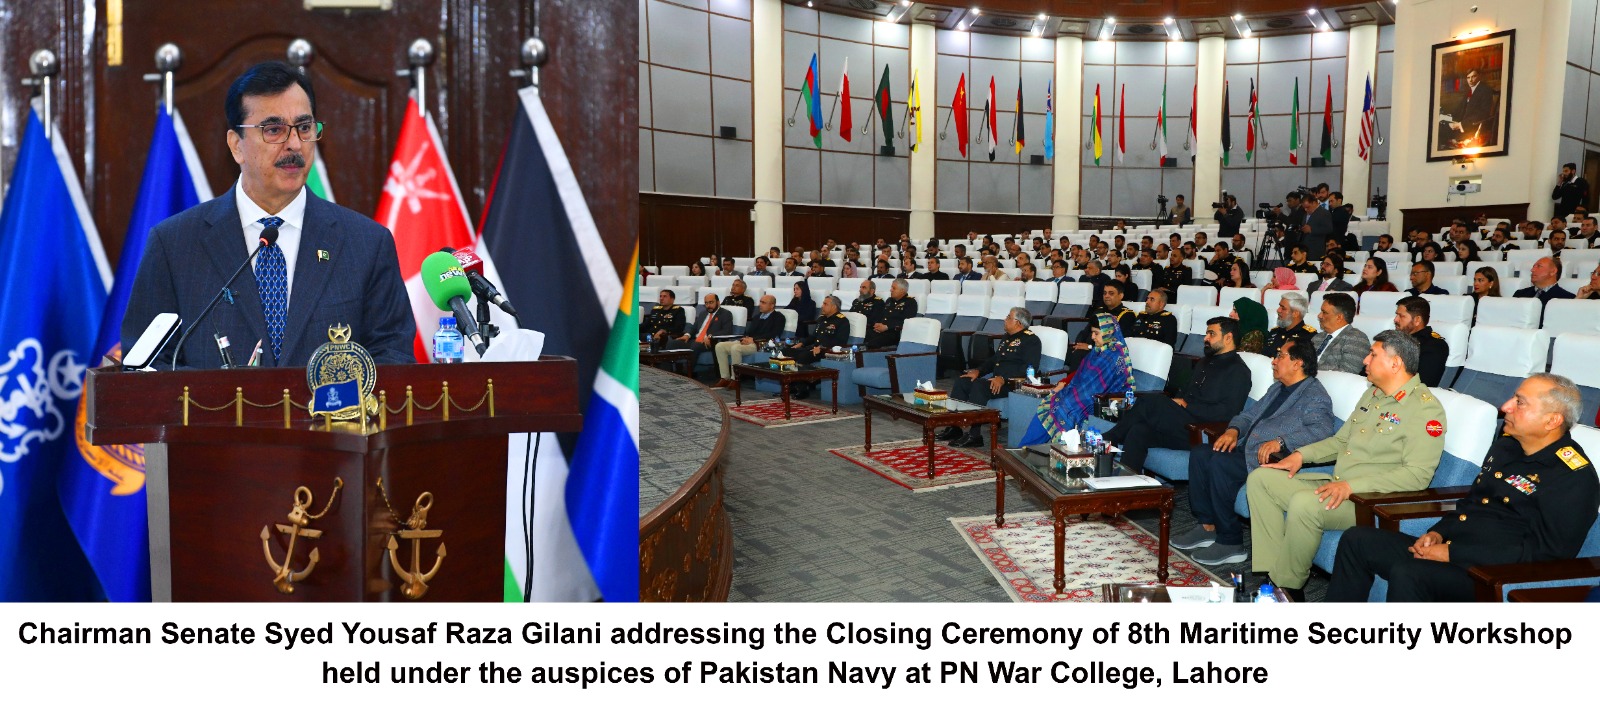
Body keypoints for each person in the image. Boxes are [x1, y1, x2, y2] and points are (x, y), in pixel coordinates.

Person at [122, 62, 423, 367]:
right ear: (236, 146)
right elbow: (147, 366)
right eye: (274, 130)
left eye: (304, 128)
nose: (294, 144)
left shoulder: (366, 244)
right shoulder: (175, 245)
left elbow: (393, 358)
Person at [1328, 374, 1598, 602]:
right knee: (1358, 539)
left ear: (1552, 421)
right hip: (1455, 548)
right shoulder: (1507, 446)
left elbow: (1546, 555)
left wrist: (1453, 554)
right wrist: (1437, 533)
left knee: (1409, 572)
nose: (1505, 406)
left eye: (1520, 402)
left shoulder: (1572, 476)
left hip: (1492, 576)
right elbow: (1471, 503)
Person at [1247, 330, 1447, 600]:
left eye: (1373, 354)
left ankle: (1289, 588)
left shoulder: (1425, 409)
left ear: (1395, 363)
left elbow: (1417, 476)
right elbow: (1341, 441)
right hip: (1339, 485)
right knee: (1261, 479)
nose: (1365, 360)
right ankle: (1273, 578)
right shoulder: (1373, 394)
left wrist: (1352, 486)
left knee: (1306, 504)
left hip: (1371, 502)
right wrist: (1301, 455)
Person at [1176, 336, 1338, 566]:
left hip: (1268, 460)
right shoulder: (1278, 388)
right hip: (1245, 447)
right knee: (1201, 453)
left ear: (1297, 363)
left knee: (1220, 463)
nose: (1274, 361)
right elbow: (1248, 415)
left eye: (1280, 356)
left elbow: (1321, 431)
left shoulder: (1315, 395)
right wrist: (1233, 430)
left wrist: (1282, 441)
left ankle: (1231, 541)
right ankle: (1207, 525)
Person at [1103, 317, 1252, 471]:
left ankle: (1110, 437)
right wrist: (1176, 404)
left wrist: (1187, 406)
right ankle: (1127, 481)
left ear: (1228, 338)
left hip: (1201, 431)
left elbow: (1228, 413)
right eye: (1206, 334)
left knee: (1152, 402)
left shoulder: (1238, 371)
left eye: (1211, 334)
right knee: (1139, 430)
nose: (1205, 338)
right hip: (1182, 422)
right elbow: (1185, 392)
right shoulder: (1204, 362)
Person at [1018, 313, 1135, 446]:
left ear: (1108, 332)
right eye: (1092, 333)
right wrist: (1064, 387)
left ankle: (1028, 448)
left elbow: (1096, 386)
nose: (1092, 337)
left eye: (1096, 333)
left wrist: (1068, 394)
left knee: (1062, 407)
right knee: (1053, 402)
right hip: (1091, 395)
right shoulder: (1100, 350)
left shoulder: (1114, 355)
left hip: (1110, 402)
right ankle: (1027, 448)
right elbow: (1083, 377)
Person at [941, 308, 1042, 448]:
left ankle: (974, 436)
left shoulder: (1031, 340)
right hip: (996, 381)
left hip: (1013, 385)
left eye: (1008, 317)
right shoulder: (1007, 337)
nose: (1005, 320)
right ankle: (954, 427)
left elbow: (1029, 368)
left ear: (1018, 323)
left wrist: (1004, 378)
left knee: (979, 386)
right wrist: (978, 371)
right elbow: (994, 360)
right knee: (962, 381)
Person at [712, 294, 785, 389]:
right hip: (749, 342)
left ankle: (735, 379)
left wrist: (753, 340)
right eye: (760, 302)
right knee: (720, 346)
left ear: (772, 305)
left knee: (736, 348)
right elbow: (749, 332)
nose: (760, 305)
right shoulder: (757, 316)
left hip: (761, 344)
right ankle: (725, 378)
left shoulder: (779, 317)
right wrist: (745, 338)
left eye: (763, 303)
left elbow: (774, 334)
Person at [1065, 281, 1136, 369]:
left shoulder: (1126, 315)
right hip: (1088, 347)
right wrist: (1078, 344)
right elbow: (1086, 331)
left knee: (1078, 355)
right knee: (1066, 351)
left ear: (1120, 295)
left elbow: (1118, 341)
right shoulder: (1099, 311)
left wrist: (1090, 347)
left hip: (1106, 353)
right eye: (1104, 293)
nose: (1106, 296)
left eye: (1111, 293)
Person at [1394, 295, 1449, 387]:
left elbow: (1423, 383)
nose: (1395, 319)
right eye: (1396, 315)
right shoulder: (1395, 339)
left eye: (1401, 316)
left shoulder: (1433, 346)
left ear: (1417, 320)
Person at [1438, 67, 1498, 150]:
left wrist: (1461, 125)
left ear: (1479, 76)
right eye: (1468, 77)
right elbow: (1460, 108)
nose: (1470, 80)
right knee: (1439, 125)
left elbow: (1483, 114)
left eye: (1473, 76)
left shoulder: (1485, 90)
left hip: (1471, 128)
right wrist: (1449, 116)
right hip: (1462, 124)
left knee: (1439, 130)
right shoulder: (1469, 90)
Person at [1312, 293, 1369, 374]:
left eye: (1324, 312)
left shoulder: (1356, 338)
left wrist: (1309, 369)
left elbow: (1348, 371)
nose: (1319, 315)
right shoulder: (1318, 337)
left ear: (1339, 317)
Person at [666, 293, 732, 360]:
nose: (708, 305)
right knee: (672, 343)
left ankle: (687, 367)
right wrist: (687, 335)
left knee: (695, 346)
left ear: (718, 302)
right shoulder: (703, 313)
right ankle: (667, 366)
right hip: (695, 340)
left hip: (709, 342)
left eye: (711, 302)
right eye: (706, 303)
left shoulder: (725, 314)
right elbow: (694, 328)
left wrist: (711, 336)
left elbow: (727, 331)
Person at [868, 279, 918, 349]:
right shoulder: (889, 300)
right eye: (891, 287)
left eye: (894, 288)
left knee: (873, 343)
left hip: (894, 333)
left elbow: (907, 322)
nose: (891, 290)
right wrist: (878, 324)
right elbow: (882, 315)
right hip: (881, 330)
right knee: (864, 335)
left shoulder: (910, 302)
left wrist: (887, 327)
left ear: (902, 290)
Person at [1297, 192, 1331, 260]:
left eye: (1307, 207)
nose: (1306, 209)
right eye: (1304, 208)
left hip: (1316, 249)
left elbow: (1329, 229)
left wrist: (1311, 230)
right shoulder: (1306, 214)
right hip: (1305, 248)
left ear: (1314, 203)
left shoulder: (1324, 213)